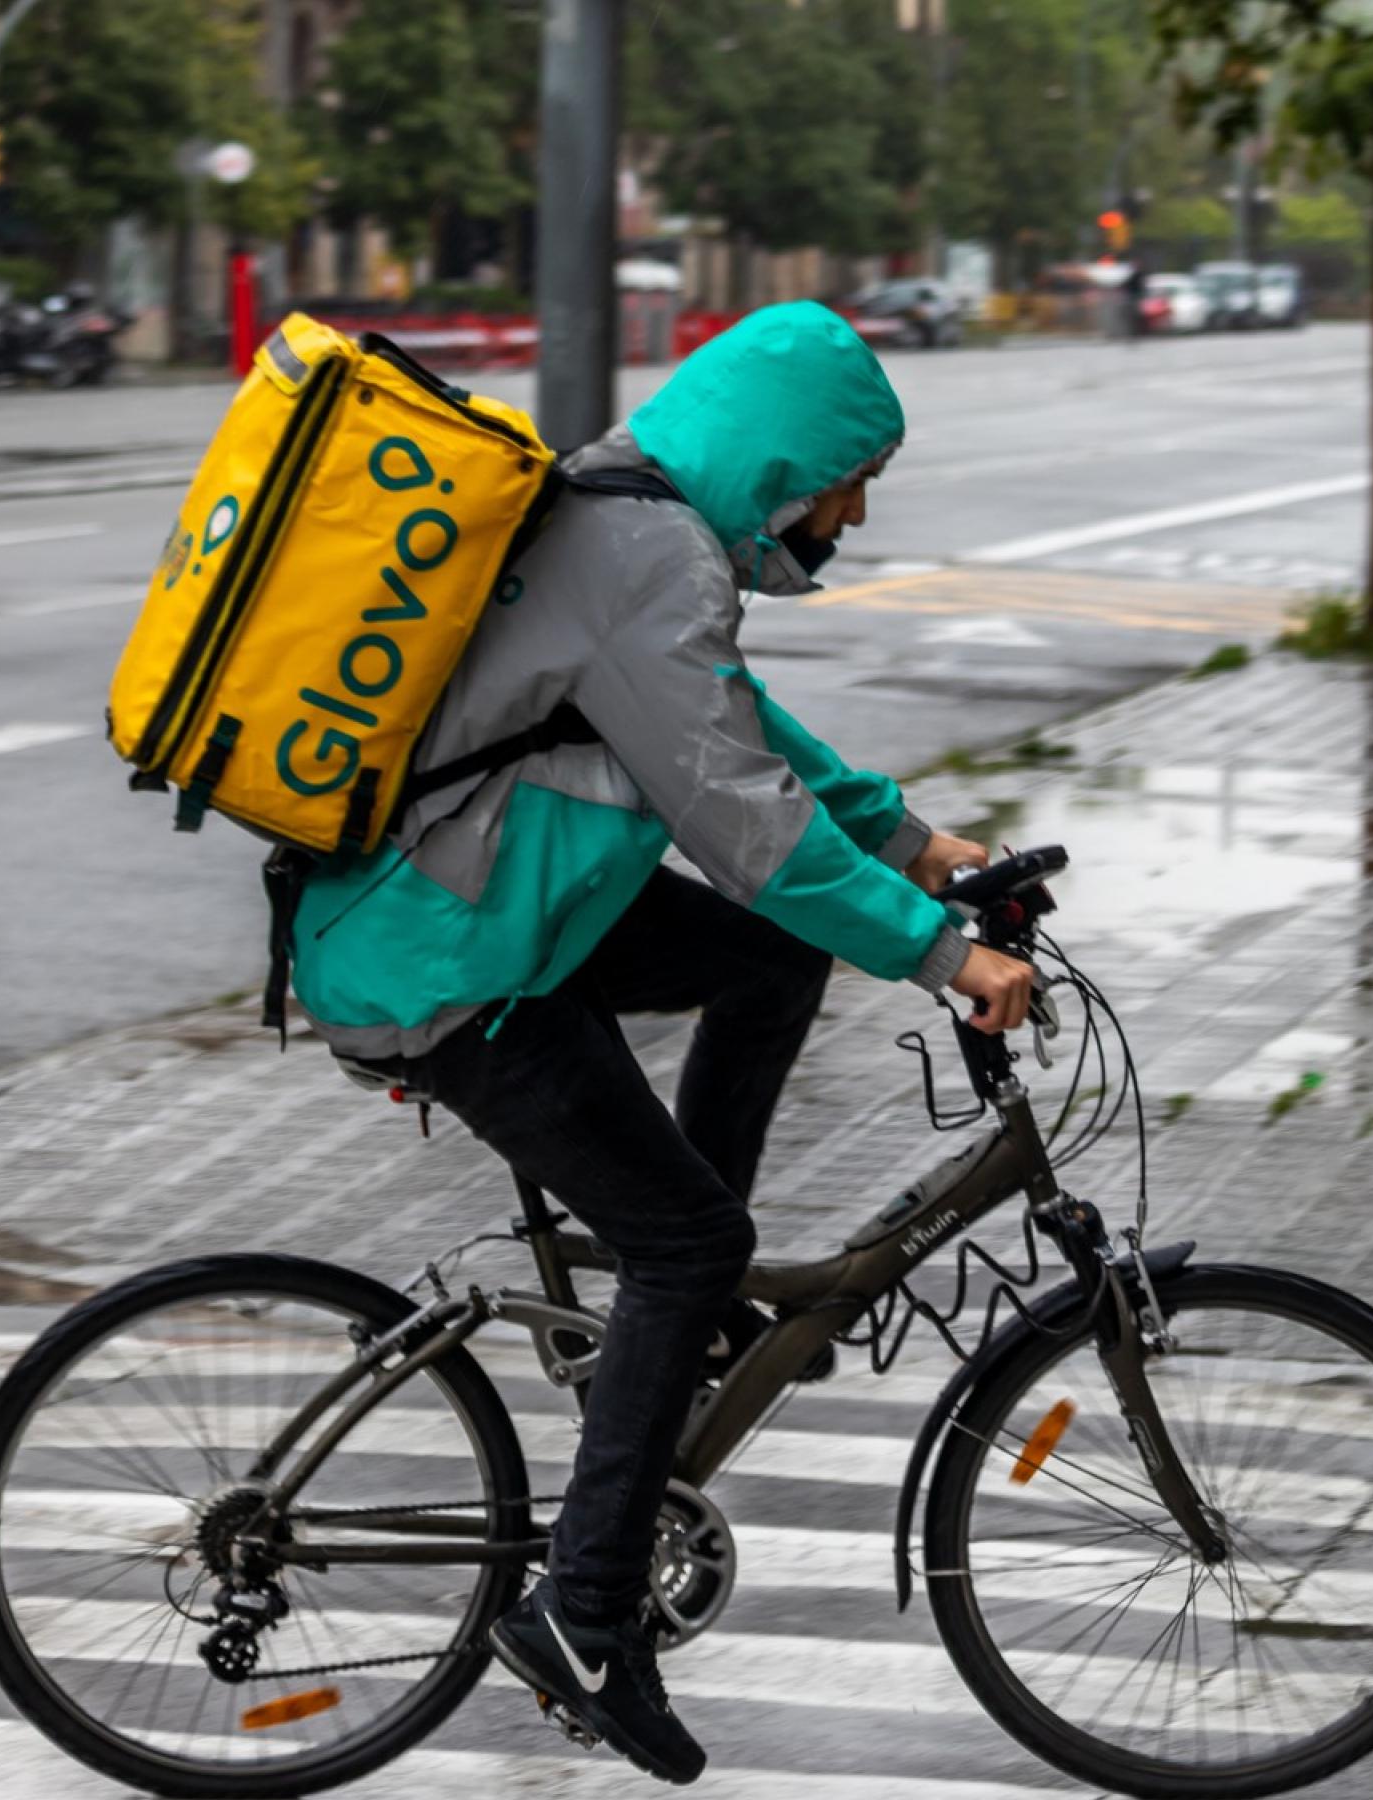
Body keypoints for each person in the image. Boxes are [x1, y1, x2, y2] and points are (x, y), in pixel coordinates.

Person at [288, 301, 1035, 1785]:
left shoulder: (638, 524)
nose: (847, 519)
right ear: (781, 461)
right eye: (842, 486)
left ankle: (675, 1305)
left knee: (764, 970)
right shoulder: (647, 547)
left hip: (490, 909)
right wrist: (944, 954)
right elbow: (744, 821)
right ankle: (582, 1612)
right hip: (450, 957)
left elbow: (732, 719)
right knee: (692, 1235)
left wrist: (911, 839)